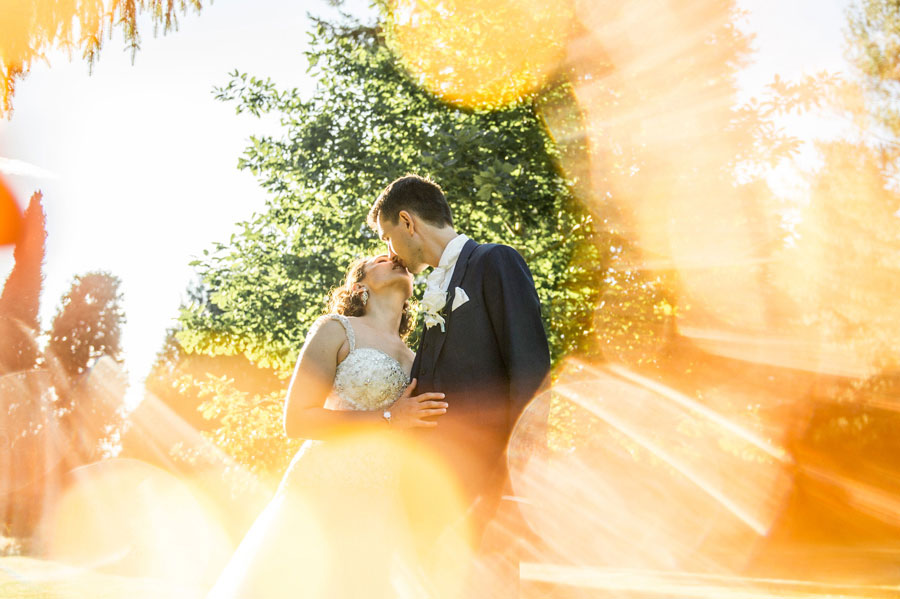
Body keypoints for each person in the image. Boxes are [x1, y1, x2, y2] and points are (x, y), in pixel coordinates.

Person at [206, 254, 448, 599]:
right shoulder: (335, 329)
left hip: (384, 501)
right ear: (359, 285)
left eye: (398, 259)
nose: (395, 259)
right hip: (326, 486)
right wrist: (390, 418)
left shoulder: (418, 359)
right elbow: (297, 419)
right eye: (380, 259)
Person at [369, 174, 551, 556]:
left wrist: (515, 481)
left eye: (387, 237)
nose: (390, 251)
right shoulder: (436, 287)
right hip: (435, 494)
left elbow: (530, 368)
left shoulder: (494, 260)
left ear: (407, 222)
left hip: (487, 487)